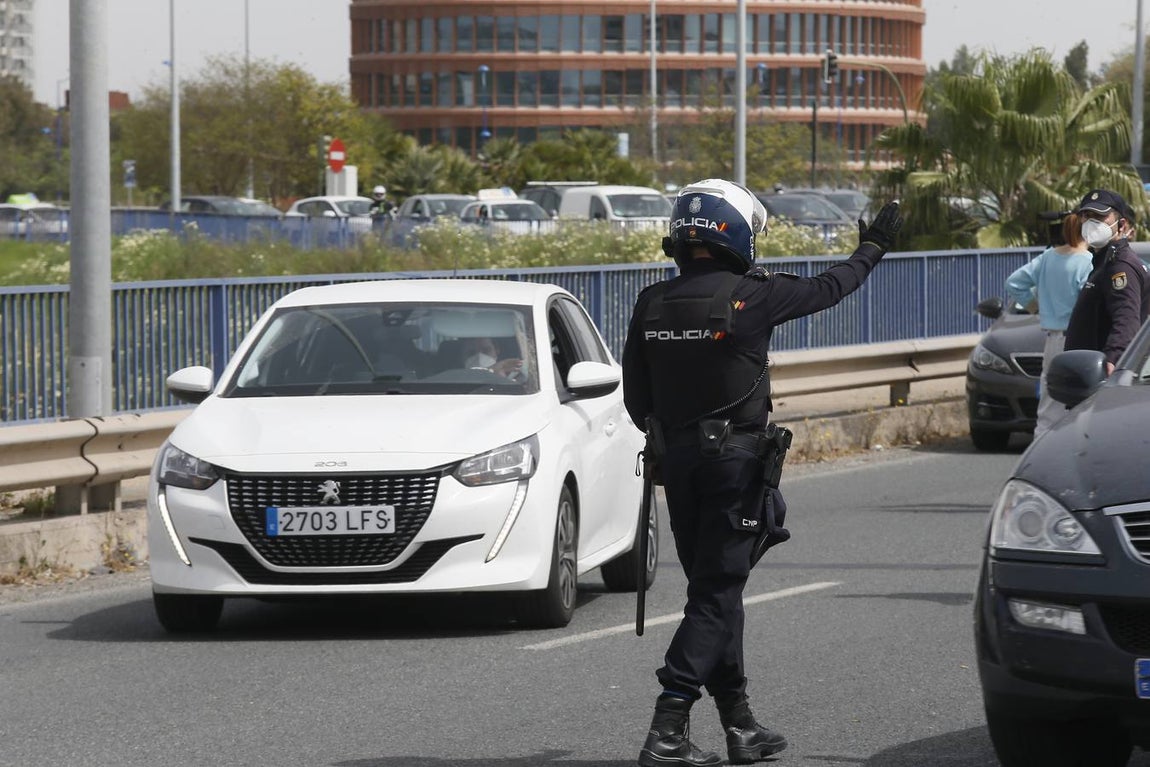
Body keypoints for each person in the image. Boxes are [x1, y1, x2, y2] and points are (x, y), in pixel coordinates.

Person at [621, 178, 903, 767]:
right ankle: (668, 725)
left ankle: (740, 726)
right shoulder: (755, 297)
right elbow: (835, 285)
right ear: (739, 233)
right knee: (717, 593)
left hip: (677, 467)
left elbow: (635, 400)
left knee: (716, 593)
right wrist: (874, 245)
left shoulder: (650, 302)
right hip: (734, 465)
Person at [1004, 212, 1092, 439]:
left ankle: (1041, 451)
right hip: (1079, 339)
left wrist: (1034, 306)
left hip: (1052, 340)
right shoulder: (1087, 262)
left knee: (1048, 403)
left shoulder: (1047, 258)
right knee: (1086, 400)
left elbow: (1013, 282)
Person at [1064, 189, 1150, 376]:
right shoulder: (1104, 261)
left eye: (1099, 217)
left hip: (1100, 377)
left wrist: (1113, 358)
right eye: (1086, 216)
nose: (1090, 223)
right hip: (1086, 375)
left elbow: (1126, 318)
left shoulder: (1120, 266)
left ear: (1121, 225)